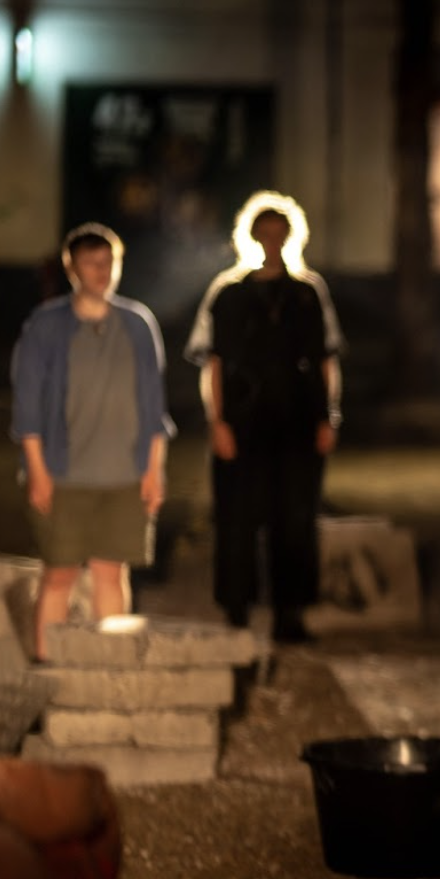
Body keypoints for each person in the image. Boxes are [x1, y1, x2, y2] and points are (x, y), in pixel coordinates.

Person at [9, 224, 174, 661]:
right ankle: (46, 667)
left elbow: (154, 406)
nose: (101, 272)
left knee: (111, 571)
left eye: (108, 263)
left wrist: (154, 470)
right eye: (91, 263)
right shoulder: (46, 327)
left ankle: (109, 666)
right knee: (59, 575)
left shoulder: (138, 324)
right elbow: (26, 408)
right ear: (71, 268)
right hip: (64, 475)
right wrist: (39, 473)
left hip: (123, 475)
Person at [186, 193, 344, 643]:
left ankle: (289, 614)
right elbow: (212, 363)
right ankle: (236, 610)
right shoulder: (228, 294)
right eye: (265, 232)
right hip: (243, 422)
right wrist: (217, 422)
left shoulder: (308, 294)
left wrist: (328, 417)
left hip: (295, 423)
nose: (272, 241)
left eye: (280, 233)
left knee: (294, 520)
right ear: (251, 236)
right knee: (237, 519)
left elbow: (326, 360)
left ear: (291, 237)